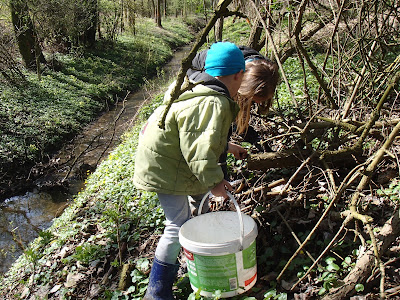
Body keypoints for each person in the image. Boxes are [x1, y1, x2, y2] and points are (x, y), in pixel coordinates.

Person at [133, 41, 248, 300]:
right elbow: (199, 151)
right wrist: (216, 183)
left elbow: (195, 136)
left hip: (171, 162)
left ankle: (194, 265)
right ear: (238, 75)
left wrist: (228, 147)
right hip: (165, 168)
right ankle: (157, 292)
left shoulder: (201, 89)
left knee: (195, 216)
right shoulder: (213, 102)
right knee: (176, 226)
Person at [188, 45, 280, 179]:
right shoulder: (218, 84)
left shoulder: (264, 70)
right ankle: (215, 177)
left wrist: (260, 144)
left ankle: (258, 143)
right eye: (253, 100)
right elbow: (216, 133)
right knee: (218, 128)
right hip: (196, 77)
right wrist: (219, 179)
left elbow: (240, 117)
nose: (257, 104)